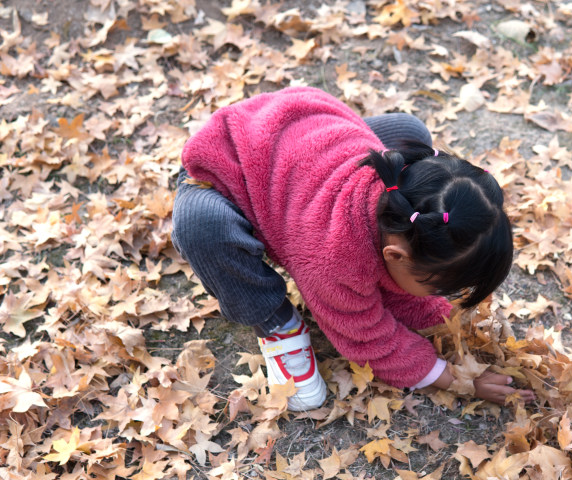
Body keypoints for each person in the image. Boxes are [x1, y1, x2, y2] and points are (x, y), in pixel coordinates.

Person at [172, 86, 535, 411]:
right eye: (439, 287)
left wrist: (435, 310)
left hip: (299, 128)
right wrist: (457, 380)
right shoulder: (331, 259)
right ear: (396, 256)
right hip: (227, 165)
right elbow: (368, 339)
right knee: (201, 226)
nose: (444, 297)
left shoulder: (401, 189)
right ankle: (276, 323)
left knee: (411, 131)